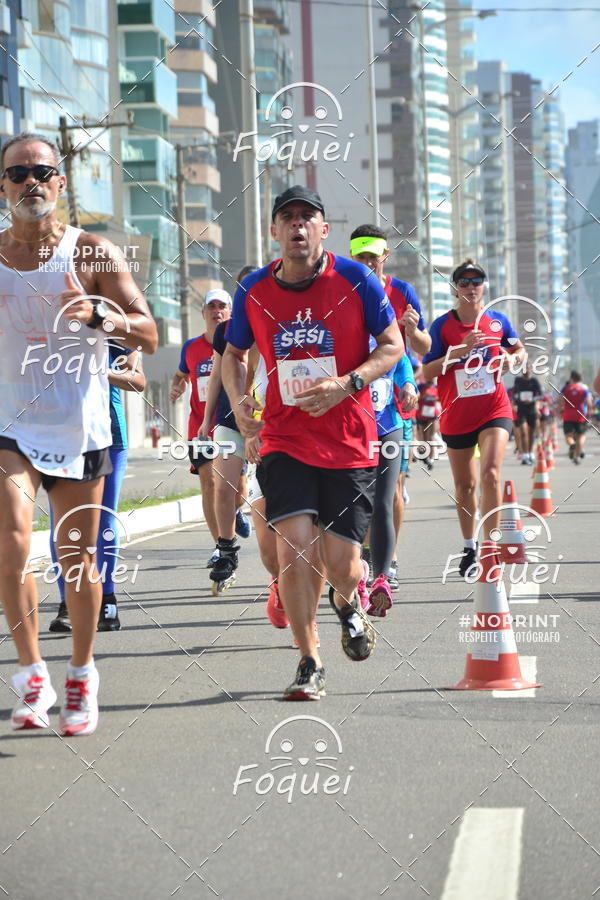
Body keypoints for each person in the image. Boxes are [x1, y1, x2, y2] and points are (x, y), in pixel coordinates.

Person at [0, 132, 157, 735]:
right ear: (4, 186)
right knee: (12, 543)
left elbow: (147, 330)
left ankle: (82, 673)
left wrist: (101, 314)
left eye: (44, 171)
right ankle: (31, 672)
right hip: (10, 423)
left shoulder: (89, 253)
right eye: (19, 173)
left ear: (61, 183)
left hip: (77, 422)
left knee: (79, 562)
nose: (32, 182)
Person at [222, 185, 404, 700]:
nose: (298, 226)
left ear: (324, 230)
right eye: (288, 218)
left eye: (308, 218)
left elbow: (392, 346)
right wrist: (241, 409)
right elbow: (233, 355)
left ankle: (349, 604)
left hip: (348, 439)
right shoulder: (253, 290)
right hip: (284, 437)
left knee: (342, 562)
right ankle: (309, 661)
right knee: (295, 550)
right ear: (274, 231)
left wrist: (348, 383)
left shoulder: (357, 279)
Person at [421, 260, 525, 578]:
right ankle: (470, 547)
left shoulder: (498, 321)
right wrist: (457, 350)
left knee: (491, 474)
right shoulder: (442, 326)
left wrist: (512, 359)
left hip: (494, 410)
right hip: (456, 415)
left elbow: (520, 352)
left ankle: (491, 549)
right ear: (455, 289)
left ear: (484, 286)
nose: (470, 287)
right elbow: (426, 371)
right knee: (465, 486)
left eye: (476, 281)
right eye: (463, 282)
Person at [349, 225, 431, 590]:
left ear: (385, 256)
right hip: (351, 416)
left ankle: (387, 564)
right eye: (360, 257)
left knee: (391, 490)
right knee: (358, 496)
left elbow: (417, 349)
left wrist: (410, 378)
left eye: (373, 257)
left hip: (394, 411)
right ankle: (365, 557)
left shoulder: (402, 293)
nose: (368, 263)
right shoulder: (344, 296)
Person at [48, 343, 145, 633]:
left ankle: (107, 599)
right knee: (61, 523)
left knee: (104, 519)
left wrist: (101, 372)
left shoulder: (111, 329)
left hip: (109, 436)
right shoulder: (50, 332)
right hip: (63, 437)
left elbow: (138, 380)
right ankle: (67, 603)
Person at [170, 289, 231, 567]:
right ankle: (220, 545)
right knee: (209, 483)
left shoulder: (236, 343)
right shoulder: (191, 348)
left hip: (231, 424)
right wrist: (176, 386)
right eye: (211, 307)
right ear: (203, 312)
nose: (217, 311)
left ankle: (234, 515)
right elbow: (181, 374)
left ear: (230, 312)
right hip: (200, 427)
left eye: (222, 306)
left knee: (233, 488)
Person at [366, 350, 418, 616]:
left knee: (383, 501)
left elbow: (402, 360)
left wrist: (408, 383)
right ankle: (357, 565)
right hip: (349, 429)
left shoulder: (385, 328)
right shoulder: (341, 325)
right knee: (352, 504)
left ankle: (381, 579)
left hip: (388, 425)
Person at [512, 363, 542, 465]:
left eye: (528, 368)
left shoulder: (534, 381)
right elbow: (515, 393)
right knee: (523, 432)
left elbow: (540, 395)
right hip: (521, 409)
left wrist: (532, 399)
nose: (526, 370)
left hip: (531, 409)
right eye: (524, 369)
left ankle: (530, 453)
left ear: (531, 369)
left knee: (531, 433)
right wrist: (515, 401)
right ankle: (525, 455)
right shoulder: (518, 380)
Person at [560, 370, 592, 464]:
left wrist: (559, 411)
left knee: (568, 435)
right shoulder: (584, 389)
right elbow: (589, 403)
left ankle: (572, 444)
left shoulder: (566, 388)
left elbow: (560, 401)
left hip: (568, 415)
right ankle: (577, 457)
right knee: (581, 435)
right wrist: (589, 415)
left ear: (571, 378)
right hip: (580, 415)